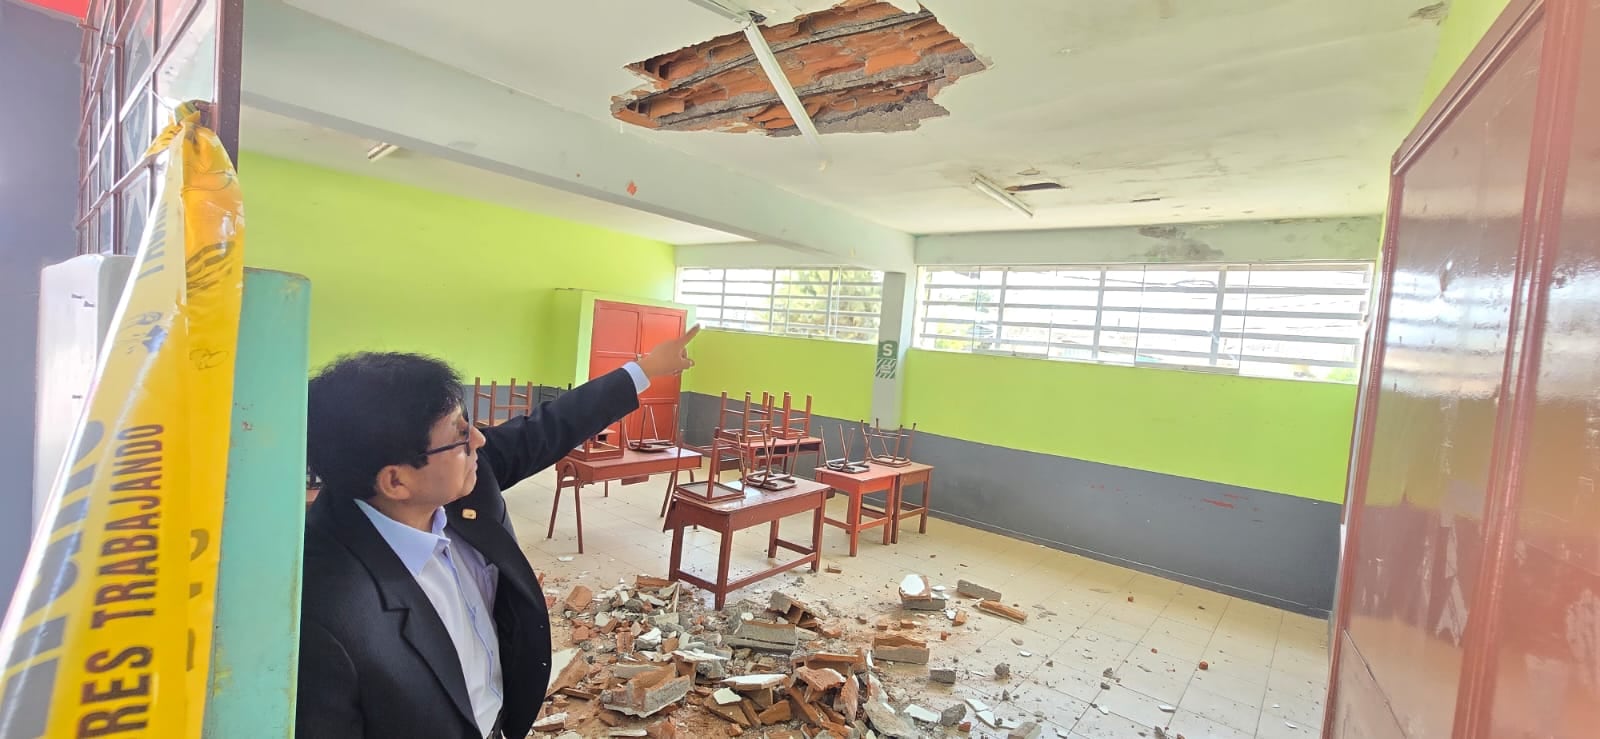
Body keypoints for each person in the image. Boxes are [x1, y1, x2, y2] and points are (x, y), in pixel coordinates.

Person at [295, 326, 700, 739]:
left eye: (468, 423)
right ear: (396, 482)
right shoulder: (324, 612)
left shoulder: (462, 480)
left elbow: (551, 425)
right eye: (459, 436)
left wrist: (646, 368)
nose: (479, 439)